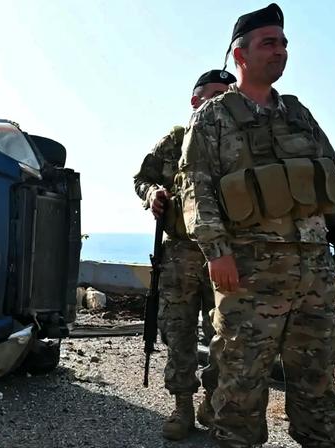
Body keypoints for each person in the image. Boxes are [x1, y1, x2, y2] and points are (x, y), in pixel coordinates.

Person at [178, 4, 335, 446]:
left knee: (317, 377)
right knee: (240, 382)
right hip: (249, 273)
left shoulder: (299, 115)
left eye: (283, 43)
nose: (280, 50)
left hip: (313, 275)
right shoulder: (212, 117)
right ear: (240, 55)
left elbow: (330, 181)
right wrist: (217, 252)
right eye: (268, 43)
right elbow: (196, 188)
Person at [134, 69, 236, 440]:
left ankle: (211, 400)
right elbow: (142, 178)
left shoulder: (238, 143)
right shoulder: (176, 140)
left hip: (226, 254)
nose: (222, 101)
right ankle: (182, 407)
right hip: (180, 253)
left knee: (226, 335)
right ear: (196, 100)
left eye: (228, 95)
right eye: (215, 94)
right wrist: (152, 195)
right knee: (177, 332)